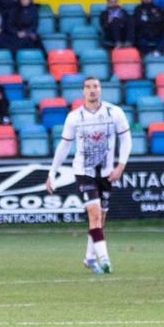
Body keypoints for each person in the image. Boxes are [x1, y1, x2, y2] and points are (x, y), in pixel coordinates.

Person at [46, 77, 131, 275]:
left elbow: (126, 139)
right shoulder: (75, 117)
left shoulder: (114, 112)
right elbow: (64, 146)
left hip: (107, 172)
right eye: (88, 87)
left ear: (100, 90)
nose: (92, 90)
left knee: (101, 218)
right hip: (83, 171)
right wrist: (52, 172)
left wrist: (121, 166)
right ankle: (105, 261)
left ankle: (89, 258)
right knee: (94, 213)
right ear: (83, 91)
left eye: (95, 86)